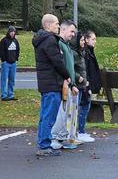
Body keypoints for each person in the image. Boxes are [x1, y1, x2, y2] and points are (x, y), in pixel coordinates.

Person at [32, 14, 70, 156]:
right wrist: (67, 76)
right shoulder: (49, 40)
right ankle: (44, 146)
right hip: (52, 83)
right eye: (56, 23)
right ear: (48, 25)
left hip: (46, 83)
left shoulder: (41, 39)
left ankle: (43, 143)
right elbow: (57, 62)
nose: (58, 26)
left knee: (45, 116)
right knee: (49, 116)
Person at [51, 20, 80, 150]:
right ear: (63, 29)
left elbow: (70, 67)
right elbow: (60, 66)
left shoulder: (67, 45)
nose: (73, 34)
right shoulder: (60, 44)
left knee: (66, 112)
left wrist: (73, 84)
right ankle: (55, 137)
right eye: (71, 31)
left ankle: (62, 137)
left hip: (69, 84)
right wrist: (67, 81)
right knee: (61, 112)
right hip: (63, 83)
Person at [70, 32, 95, 143]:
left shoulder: (81, 52)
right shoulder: (75, 53)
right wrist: (79, 78)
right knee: (78, 108)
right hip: (79, 84)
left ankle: (79, 131)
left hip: (83, 84)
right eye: (81, 40)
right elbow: (71, 68)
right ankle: (78, 132)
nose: (83, 42)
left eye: (84, 40)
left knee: (83, 106)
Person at [0, 26, 20, 101]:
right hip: (6, 63)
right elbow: (1, 51)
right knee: (4, 79)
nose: (13, 33)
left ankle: (11, 94)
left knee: (12, 80)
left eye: (14, 32)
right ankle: (4, 95)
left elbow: (18, 50)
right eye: (11, 31)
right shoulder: (3, 41)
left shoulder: (15, 41)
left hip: (13, 63)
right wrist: (4, 60)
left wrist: (16, 58)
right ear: (8, 32)